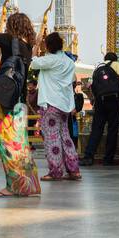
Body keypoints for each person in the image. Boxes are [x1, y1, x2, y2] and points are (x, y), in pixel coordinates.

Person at [0, 14, 42, 197]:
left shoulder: (9, 40)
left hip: (4, 100)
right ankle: (31, 184)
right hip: (19, 102)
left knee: (6, 144)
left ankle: (14, 186)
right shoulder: (28, 48)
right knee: (20, 145)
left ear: (11, 26)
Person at [32, 32, 81, 181]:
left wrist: (36, 45)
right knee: (65, 136)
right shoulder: (69, 62)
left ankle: (56, 171)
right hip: (65, 105)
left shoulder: (50, 60)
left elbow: (33, 62)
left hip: (51, 103)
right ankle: (74, 169)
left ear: (48, 45)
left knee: (52, 138)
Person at [81, 52, 119, 166]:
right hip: (113, 100)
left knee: (96, 129)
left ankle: (88, 156)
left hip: (100, 101)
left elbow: (89, 85)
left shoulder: (98, 67)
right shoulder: (116, 64)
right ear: (115, 59)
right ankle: (108, 159)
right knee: (112, 129)